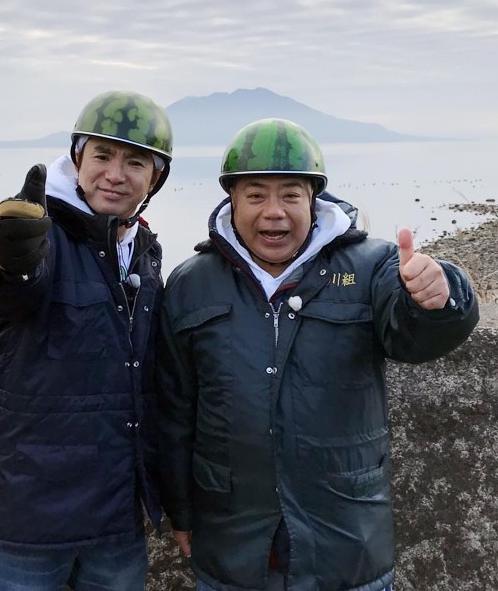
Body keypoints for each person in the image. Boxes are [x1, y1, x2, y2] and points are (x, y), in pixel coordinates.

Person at [157, 118, 479, 591]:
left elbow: (414, 336)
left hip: (346, 543)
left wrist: (440, 296)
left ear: (313, 200)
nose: (274, 213)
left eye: (291, 195)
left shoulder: (373, 266)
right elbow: (175, 410)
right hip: (233, 545)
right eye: (255, 196)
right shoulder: (191, 283)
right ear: (232, 201)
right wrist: (181, 511)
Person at [0, 91, 173, 591]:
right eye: (101, 156)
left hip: (115, 526)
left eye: (135, 162)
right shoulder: (41, 229)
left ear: (155, 178)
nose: (115, 174)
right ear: (78, 158)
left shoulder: (142, 251)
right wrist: (9, 257)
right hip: (23, 527)